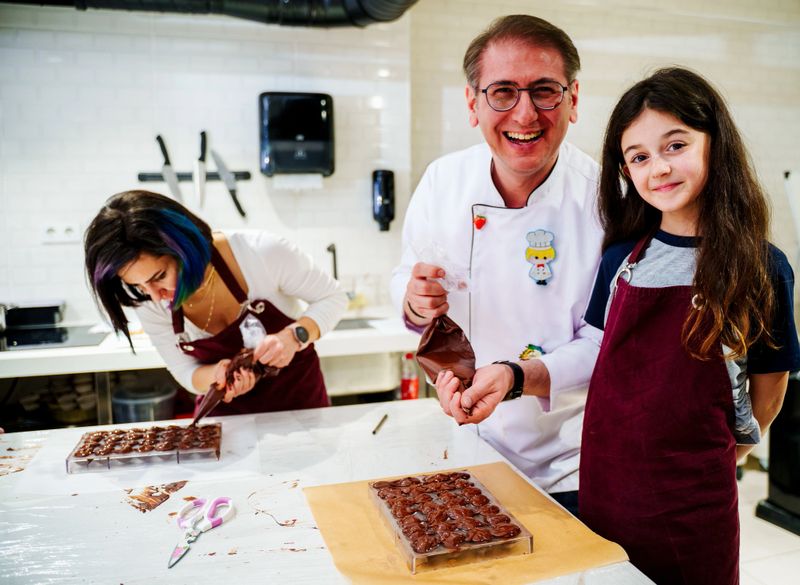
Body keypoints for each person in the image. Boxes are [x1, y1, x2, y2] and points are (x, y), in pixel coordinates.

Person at [578, 67, 800, 584]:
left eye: (674, 145)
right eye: (639, 157)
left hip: (695, 498)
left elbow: (769, 390)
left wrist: (725, 455)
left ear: (714, 144)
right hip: (607, 484)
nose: (659, 167)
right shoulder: (619, 260)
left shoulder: (761, 266)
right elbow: (603, 365)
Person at [391, 15, 603, 515]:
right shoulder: (443, 182)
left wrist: (513, 376)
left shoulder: (607, 200)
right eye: (502, 91)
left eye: (545, 91)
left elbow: (607, 343)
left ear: (573, 99)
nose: (525, 114)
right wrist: (414, 302)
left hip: (570, 460)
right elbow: (404, 277)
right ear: (473, 104)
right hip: (462, 445)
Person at [84, 190, 347, 415]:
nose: (155, 296)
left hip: (301, 407)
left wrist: (294, 336)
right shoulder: (147, 300)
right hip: (225, 424)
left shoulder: (260, 253)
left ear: (184, 247)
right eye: (138, 285)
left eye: (160, 276)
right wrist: (218, 374)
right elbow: (185, 371)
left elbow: (333, 297)